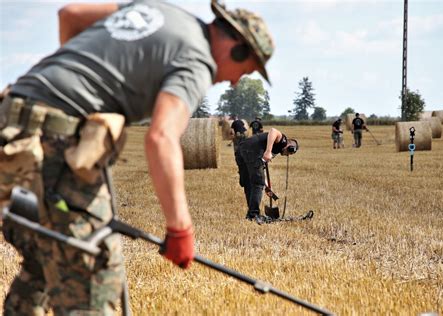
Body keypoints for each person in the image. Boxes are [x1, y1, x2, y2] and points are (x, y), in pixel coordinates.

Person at [0, 0, 274, 314]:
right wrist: (180, 229)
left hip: (9, 119)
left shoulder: (160, 11)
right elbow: (161, 138)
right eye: (246, 70)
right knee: (94, 268)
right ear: (237, 49)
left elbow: (70, 15)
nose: (236, 81)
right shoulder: (198, 60)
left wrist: (87, 91)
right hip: (52, 139)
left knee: (47, 249)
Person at [235, 128, 298, 220]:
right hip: (252, 151)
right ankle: (254, 214)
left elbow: (260, 168)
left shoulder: (276, 148)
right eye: (289, 153)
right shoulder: (283, 141)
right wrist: (268, 151)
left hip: (242, 149)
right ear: (290, 147)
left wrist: (265, 184)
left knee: (249, 182)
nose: (287, 155)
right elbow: (273, 131)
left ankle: (251, 214)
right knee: (257, 184)